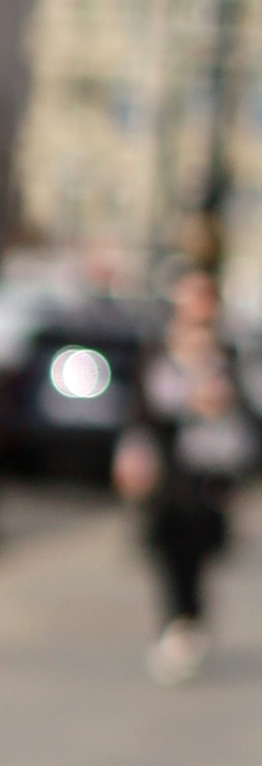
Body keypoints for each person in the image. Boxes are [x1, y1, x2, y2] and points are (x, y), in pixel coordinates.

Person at [114, 269, 256, 682]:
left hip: (211, 471)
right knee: (165, 545)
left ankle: (189, 621)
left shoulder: (229, 353)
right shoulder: (158, 349)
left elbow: (249, 412)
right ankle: (174, 624)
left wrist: (223, 400)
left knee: (199, 549)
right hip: (167, 469)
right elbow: (142, 410)